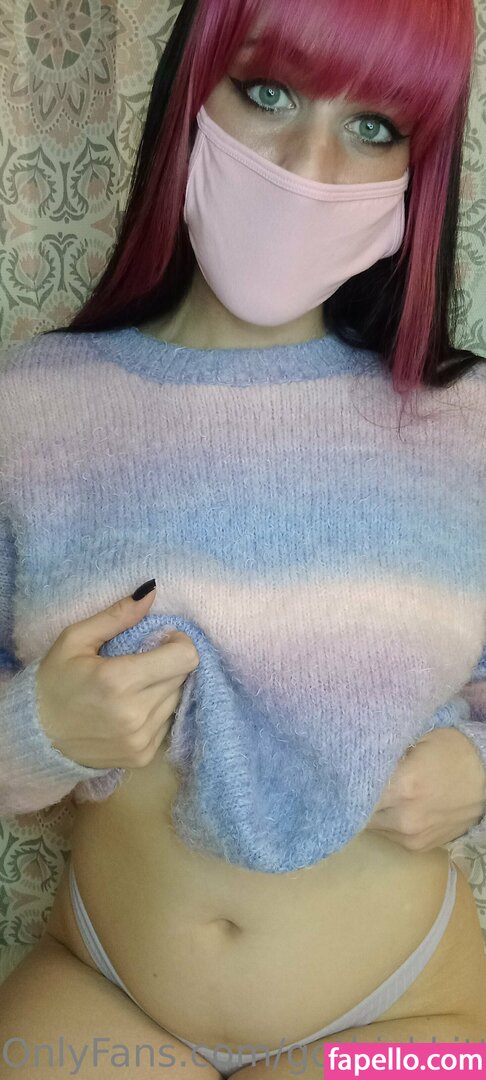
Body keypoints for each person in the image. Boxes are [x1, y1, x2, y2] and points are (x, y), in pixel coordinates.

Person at [1, 0, 486, 1073]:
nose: (310, 166)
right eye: (267, 92)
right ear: (191, 94)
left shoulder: (471, 424)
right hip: (102, 995)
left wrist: (483, 764)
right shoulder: (28, 405)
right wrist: (35, 729)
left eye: (375, 127)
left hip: (408, 1027)